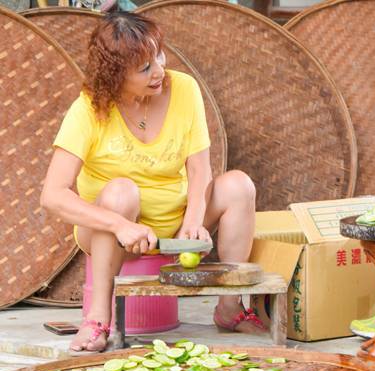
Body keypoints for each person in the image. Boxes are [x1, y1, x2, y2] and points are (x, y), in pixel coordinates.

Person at [40, 12, 266, 353]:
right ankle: (98, 319)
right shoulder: (88, 109)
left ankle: (230, 307)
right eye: (145, 68)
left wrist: (193, 221)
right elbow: (52, 195)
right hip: (113, 228)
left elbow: (200, 169)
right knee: (121, 191)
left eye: (159, 55)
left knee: (239, 186)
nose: (159, 70)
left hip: (173, 222)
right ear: (115, 74)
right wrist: (120, 225)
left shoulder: (184, 88)